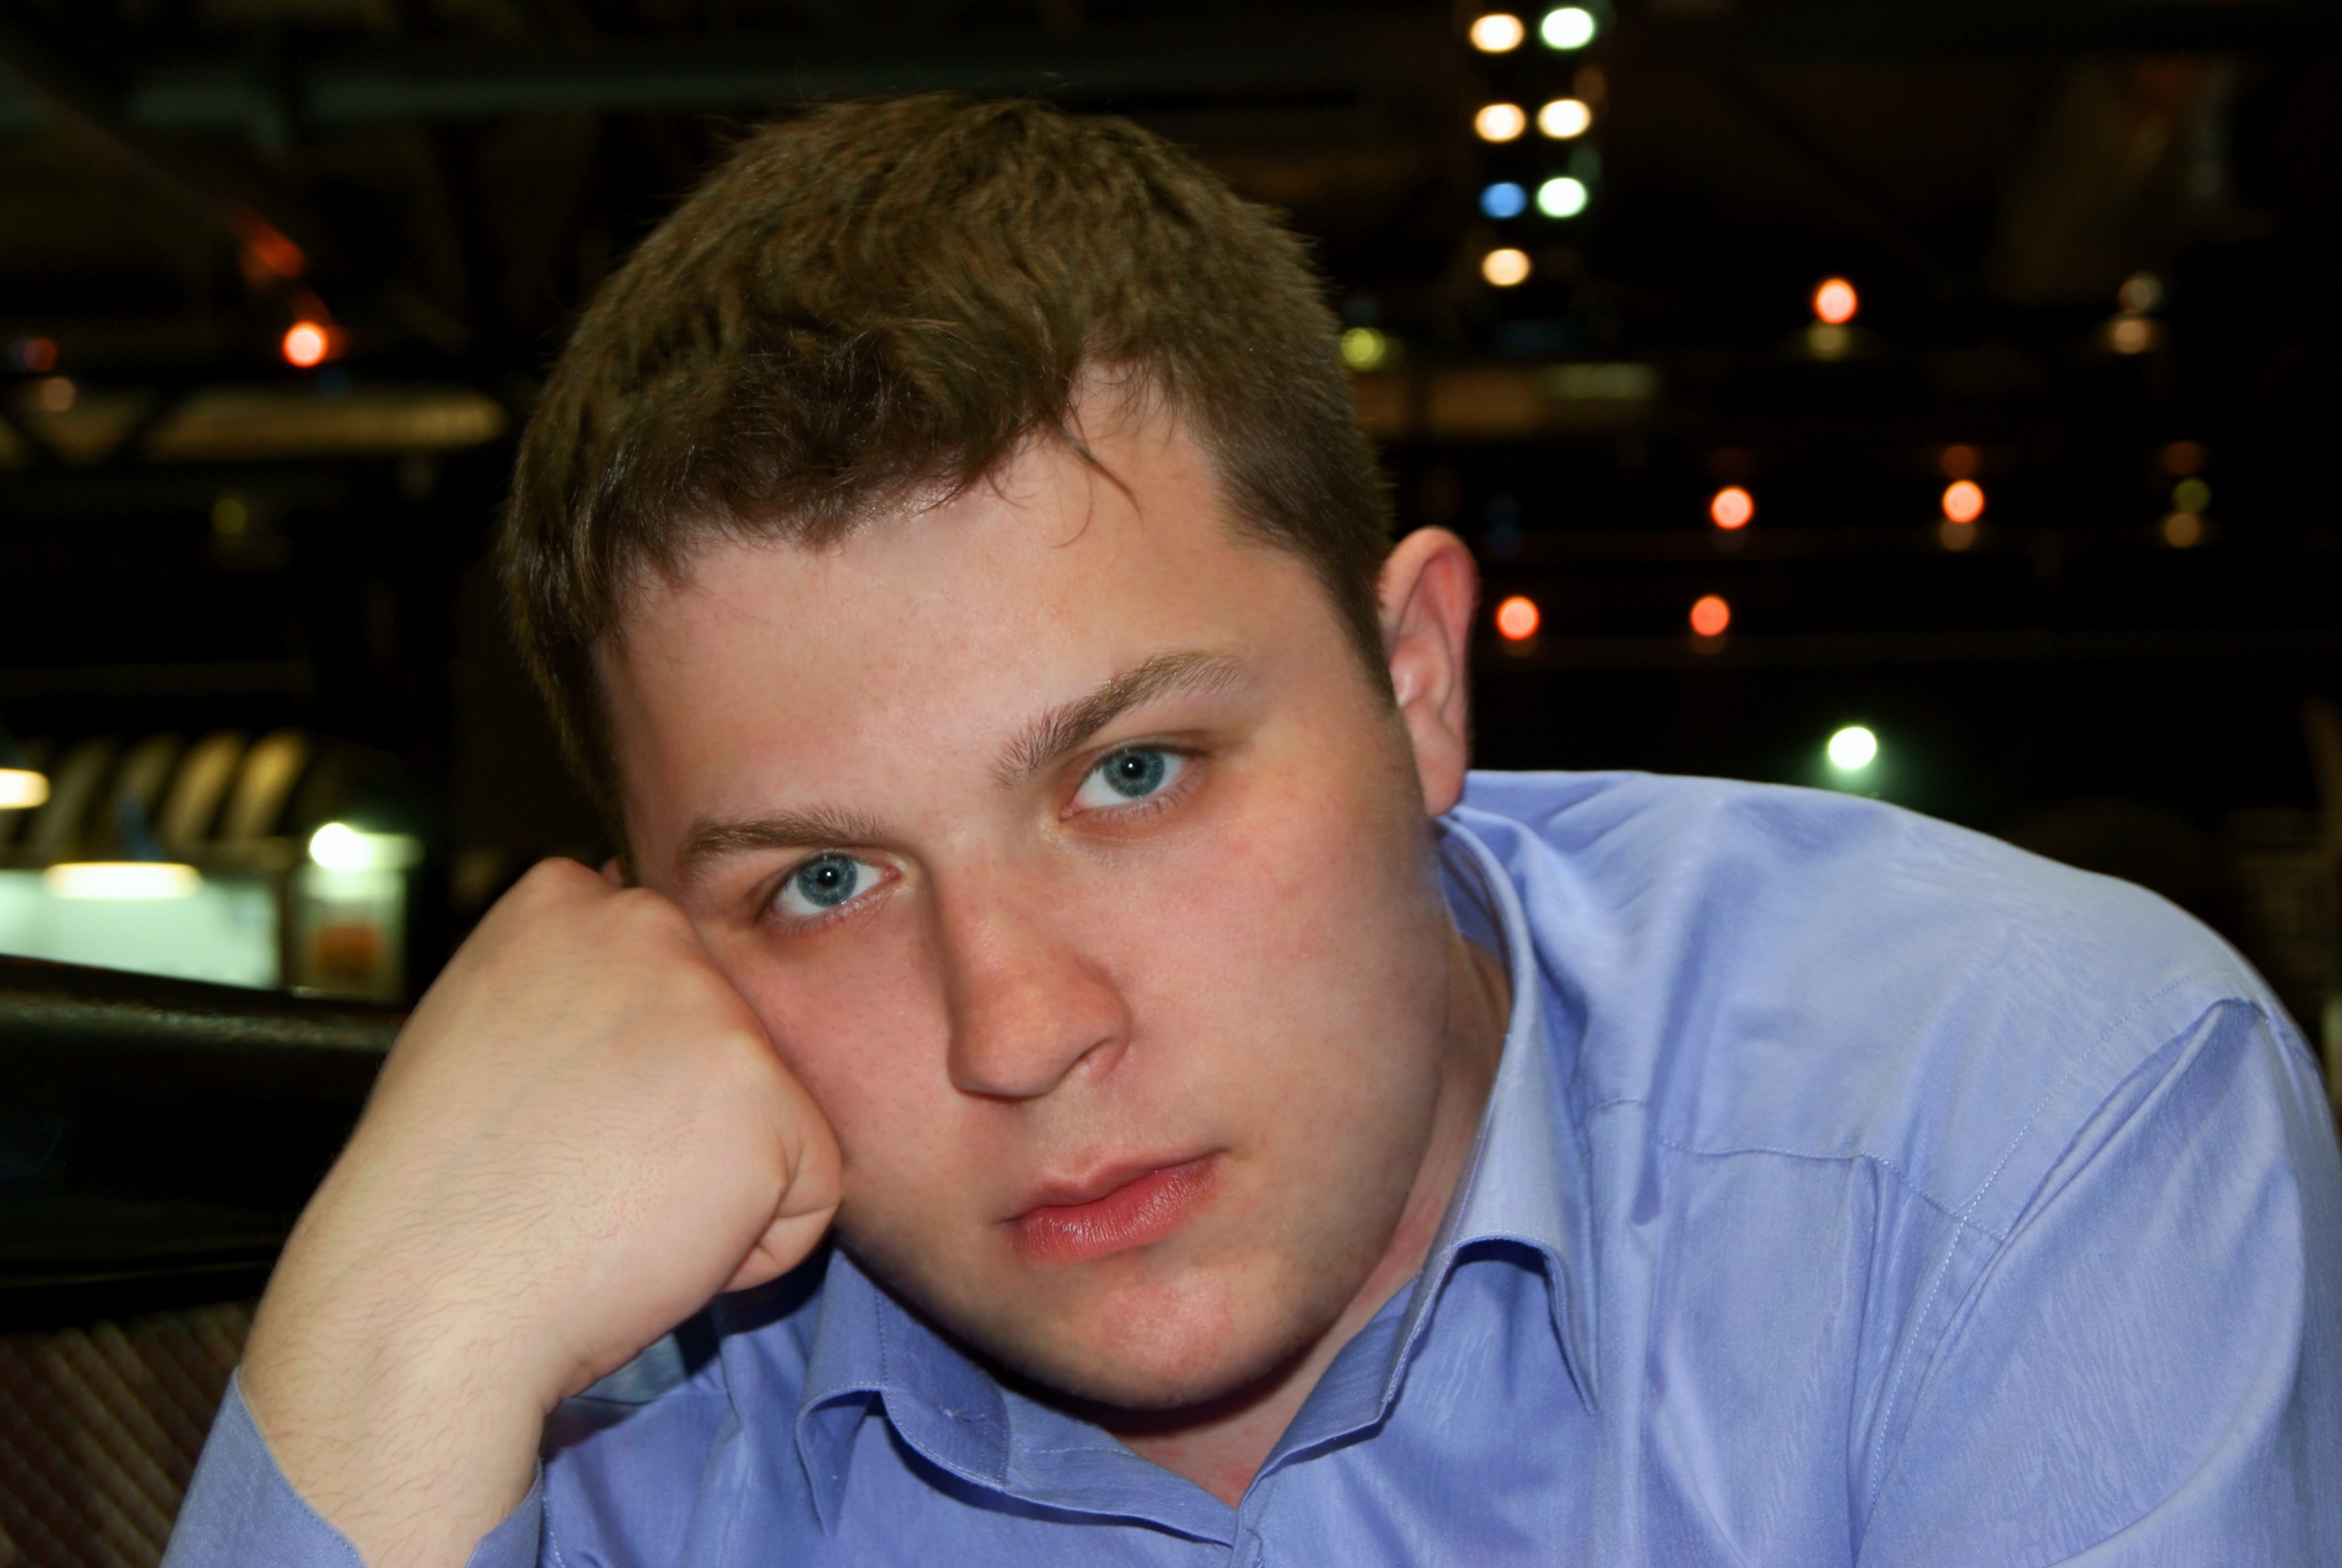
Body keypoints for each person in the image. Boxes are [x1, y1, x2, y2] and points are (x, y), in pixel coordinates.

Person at [166, 96, 2341, 1568]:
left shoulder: (2008, 1113)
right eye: (821, 880)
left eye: (1131, 772)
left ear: (1415, 683)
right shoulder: (602, 1391)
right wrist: (392, 1333)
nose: (1016, 1023)